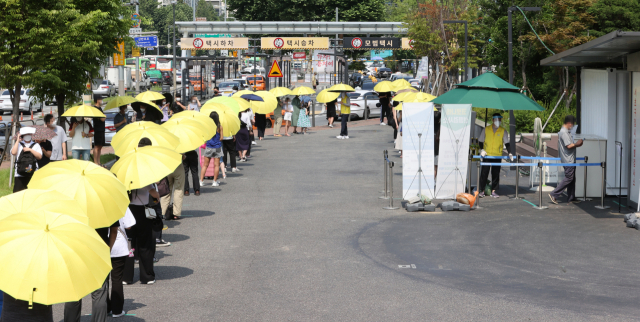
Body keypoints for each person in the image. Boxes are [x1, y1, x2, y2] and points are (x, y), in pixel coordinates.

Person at [64, 214, 119, 322]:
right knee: (99, 292)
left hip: (76, 251)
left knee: (74, 292)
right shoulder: (105, 205)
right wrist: (107, 251)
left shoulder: (73, 204)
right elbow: (114, 231)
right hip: (99, 252)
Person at [128, 138, 159, 285]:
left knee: (128, 244)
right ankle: (146, 276)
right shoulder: (145, 166)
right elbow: (152, 191)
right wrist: (156, 195)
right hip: (142, 210)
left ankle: (126, 277)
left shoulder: (128, 164)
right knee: (145, 244)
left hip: (128, 210)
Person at [106, 208, 135, 318]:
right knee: (117, 278)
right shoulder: (119, 202)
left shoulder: (92, 204)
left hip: (100, 245)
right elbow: (129, 225)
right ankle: (117, 310)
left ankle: (104, 308)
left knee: (103, 281)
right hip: (118, 246)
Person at [549, 115, 584, 204]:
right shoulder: (564, 132)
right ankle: (554, 193)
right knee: (569, 177)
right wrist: (577, 144)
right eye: (572, 124)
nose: (572, 126)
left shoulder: (565, 132)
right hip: (568, 159)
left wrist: (576, 144)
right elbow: (568, 145)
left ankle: (571, 197)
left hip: (569, 158)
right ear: (569, 123)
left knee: (572, 178)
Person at [477, 113, 512, 198]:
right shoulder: (486, 129)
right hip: (487, 155)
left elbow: (507, 143)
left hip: (497, 155)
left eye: (499, 120)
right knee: (484, 173)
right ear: (492, 120)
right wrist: (482, 150)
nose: (498, 121)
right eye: (496, 120)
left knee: (495, 173)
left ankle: (493, 191)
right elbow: (480, 141)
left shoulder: (503, 131)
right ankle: (482, 190)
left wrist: (510, 152)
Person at [11, 127, 42, 192]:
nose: (27, 135)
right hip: (19, 173)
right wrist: (17, 140)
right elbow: (13, 152)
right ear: (22, 135)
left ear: (31, 135)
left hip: (33, 172)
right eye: (26, 134)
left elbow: (39, 156)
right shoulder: (18, 144)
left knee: (32, 193)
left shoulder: (36, 145)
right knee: (18, 193)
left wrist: (30, 150)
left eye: (29, 134)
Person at [160, 149, 185, 220]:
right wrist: (185, 156)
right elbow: (182, 157)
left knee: (166, 190)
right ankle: (176, 213)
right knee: (178, 190)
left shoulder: (164, 144)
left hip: (167, 167)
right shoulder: (178, 144)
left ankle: (163, 212)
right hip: (178, 167)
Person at [199, 112, 223, 186]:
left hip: (209, 146)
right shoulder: (220, 127)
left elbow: (205, 137)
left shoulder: (208, 127)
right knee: (216, 165)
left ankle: (201, 181)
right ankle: (214, 182)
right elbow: (221, 138)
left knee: (205, 165)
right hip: (217, 147)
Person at [92, 95, 106, 165]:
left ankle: (99, 161)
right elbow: (102, 119)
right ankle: (96, 162)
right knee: (97, 146)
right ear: (97, 100)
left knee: (100, 146)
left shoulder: (100, 108)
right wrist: (104, 116)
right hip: (97, 129)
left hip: (102, 129)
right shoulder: (95, 109)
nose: (101, 100)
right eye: (100, 99)